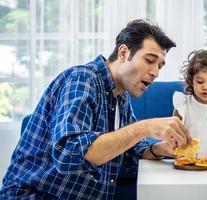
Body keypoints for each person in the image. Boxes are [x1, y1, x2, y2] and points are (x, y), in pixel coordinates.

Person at [0, 19, 192, 199]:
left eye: (160, 65)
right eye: (150, 60)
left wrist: (158, 149)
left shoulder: (121, 97)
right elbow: (69, 153)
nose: (155, 72)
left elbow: (128, 150)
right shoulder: (82, 79)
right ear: (124, 53)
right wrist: (145, 127)